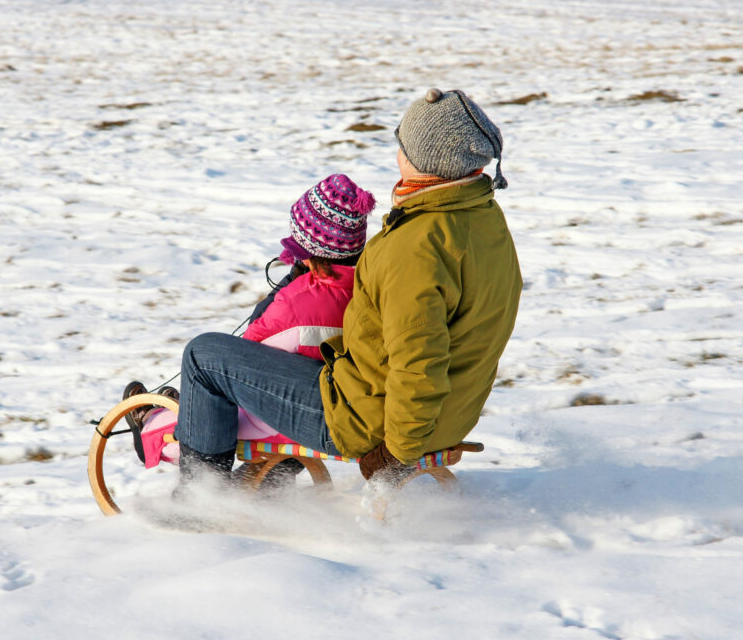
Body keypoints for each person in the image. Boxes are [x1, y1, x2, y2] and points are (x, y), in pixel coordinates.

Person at [173, 87, 522, 493]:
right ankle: (258, 484)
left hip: (372, 421)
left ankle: (199, 500)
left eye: (402, 146)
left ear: (426, 161)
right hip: (448, 414)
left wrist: (396, 452)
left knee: (205, 355)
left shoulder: (414, 247)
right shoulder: (485, 221)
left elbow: (419, 362)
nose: (397, 157)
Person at [124, 174, 376, 467]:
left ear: (309, 249)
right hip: (329, 402)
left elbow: (245, 357)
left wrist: (282, 291)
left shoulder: (297, 300)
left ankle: (153, 429)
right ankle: (270, 483)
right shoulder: (368, 290)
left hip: (282, 417)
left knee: (206, 367)